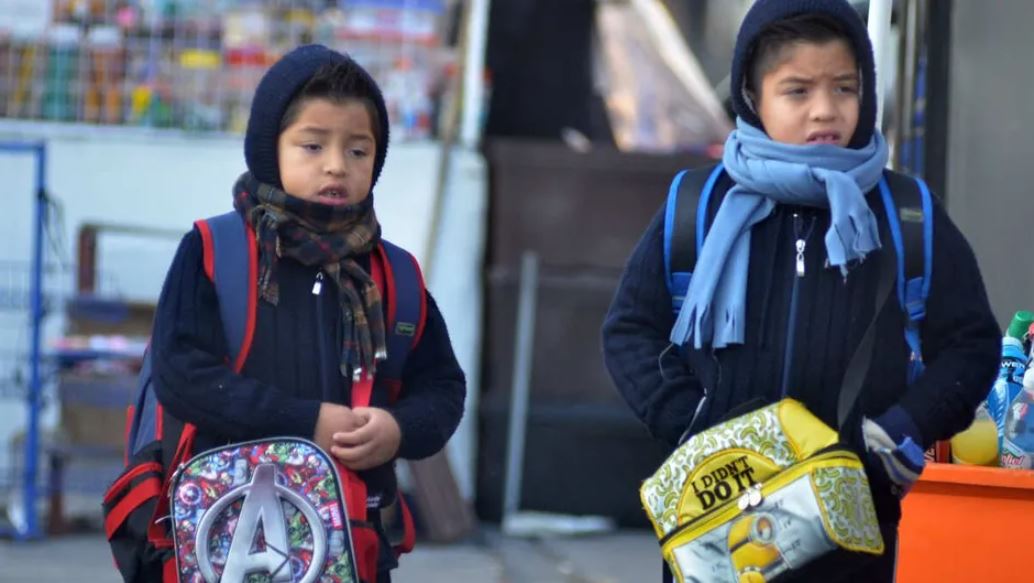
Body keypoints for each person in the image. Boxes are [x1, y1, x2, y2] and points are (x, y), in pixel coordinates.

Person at [601, 1, 999, 581]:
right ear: (752, 96)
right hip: (719, 526)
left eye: (844, 87)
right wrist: (692, 425)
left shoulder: (907, 213)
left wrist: (901, 433)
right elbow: (630, 331)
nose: (825, 110)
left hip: (854, 532)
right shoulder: (698, 205)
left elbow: (971, 346)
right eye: (797, 90)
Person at [150, 44, 466, 582]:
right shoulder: (213, 251)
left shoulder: (395, 275)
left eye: (358, 150)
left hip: (353, 544)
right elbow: (181, 375)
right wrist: (305, 423)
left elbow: (442, 388)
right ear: (268, 149)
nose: (336, 165)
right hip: (222, 541)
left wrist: (397, 430)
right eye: (313, 145)